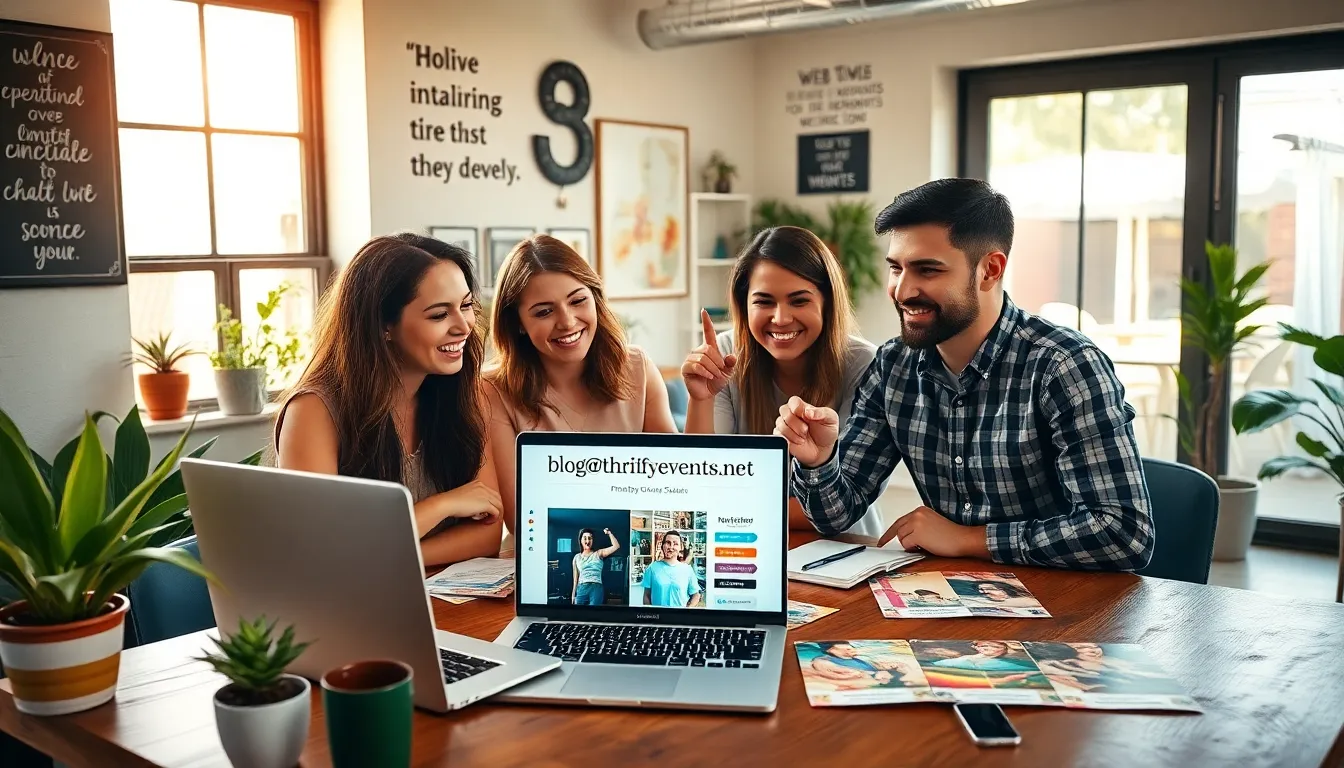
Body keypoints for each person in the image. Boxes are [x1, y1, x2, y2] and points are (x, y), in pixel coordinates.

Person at [775, 178, 1154, 571]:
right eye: (896, 268)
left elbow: (1124, 533)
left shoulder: (1064, 366)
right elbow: (835, 515)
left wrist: (970, 539)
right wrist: (820, 461)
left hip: (1065, 595)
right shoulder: (893, 366)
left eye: (927, 270)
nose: (902, 290)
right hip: (949, 592)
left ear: (990, 270)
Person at [273, 233, 503, 568]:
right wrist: (443, 505)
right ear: (384, 326)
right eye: (439, 315)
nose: (463, 326)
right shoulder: (314, 411)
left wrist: (386, 555)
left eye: (466, 306)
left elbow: (486, 536)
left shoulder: (463, 395)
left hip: (432, 594)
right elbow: (322, 553)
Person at [681, 226, 884, 538]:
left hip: (843, 546)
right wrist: (701, 399)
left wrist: (729, 503)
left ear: (827, 302)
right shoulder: (725, 353)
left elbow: (837, 505)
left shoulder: (865, 364)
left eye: (798, 301)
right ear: (744, 304)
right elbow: (698, 483)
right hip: (747, 540)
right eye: (764, 302)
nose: (780, 318)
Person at [484, 235, 678, 528]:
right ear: (517, 323)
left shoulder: (637, 368)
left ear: (595, 299)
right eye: (544, 311)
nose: (567, 321)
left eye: (577, 301)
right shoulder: (492, 390)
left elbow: (675, 484)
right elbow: (520, 519)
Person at [641, 530, 702, 607]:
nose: (671, 547)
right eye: (668, 543)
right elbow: (646, 595)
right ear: (662, 546)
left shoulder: (687, 570)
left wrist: (688, 610)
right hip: (658, 614)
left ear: (680, 547)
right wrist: (650, 612)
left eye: (675, 544)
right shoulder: (652, 568)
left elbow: (696, 595)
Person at [571, 527, 620, 606]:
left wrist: (609, 533)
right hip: (581, 588)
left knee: (594, 612)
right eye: (585, 538)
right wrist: (573, 595)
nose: (587, 541)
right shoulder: (576, 557)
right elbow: (575, 580)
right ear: (581, 540)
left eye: (590, 538)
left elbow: (616, 546)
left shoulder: (598, 553)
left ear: (593, 540)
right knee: (579, 612)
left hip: (596, 588)